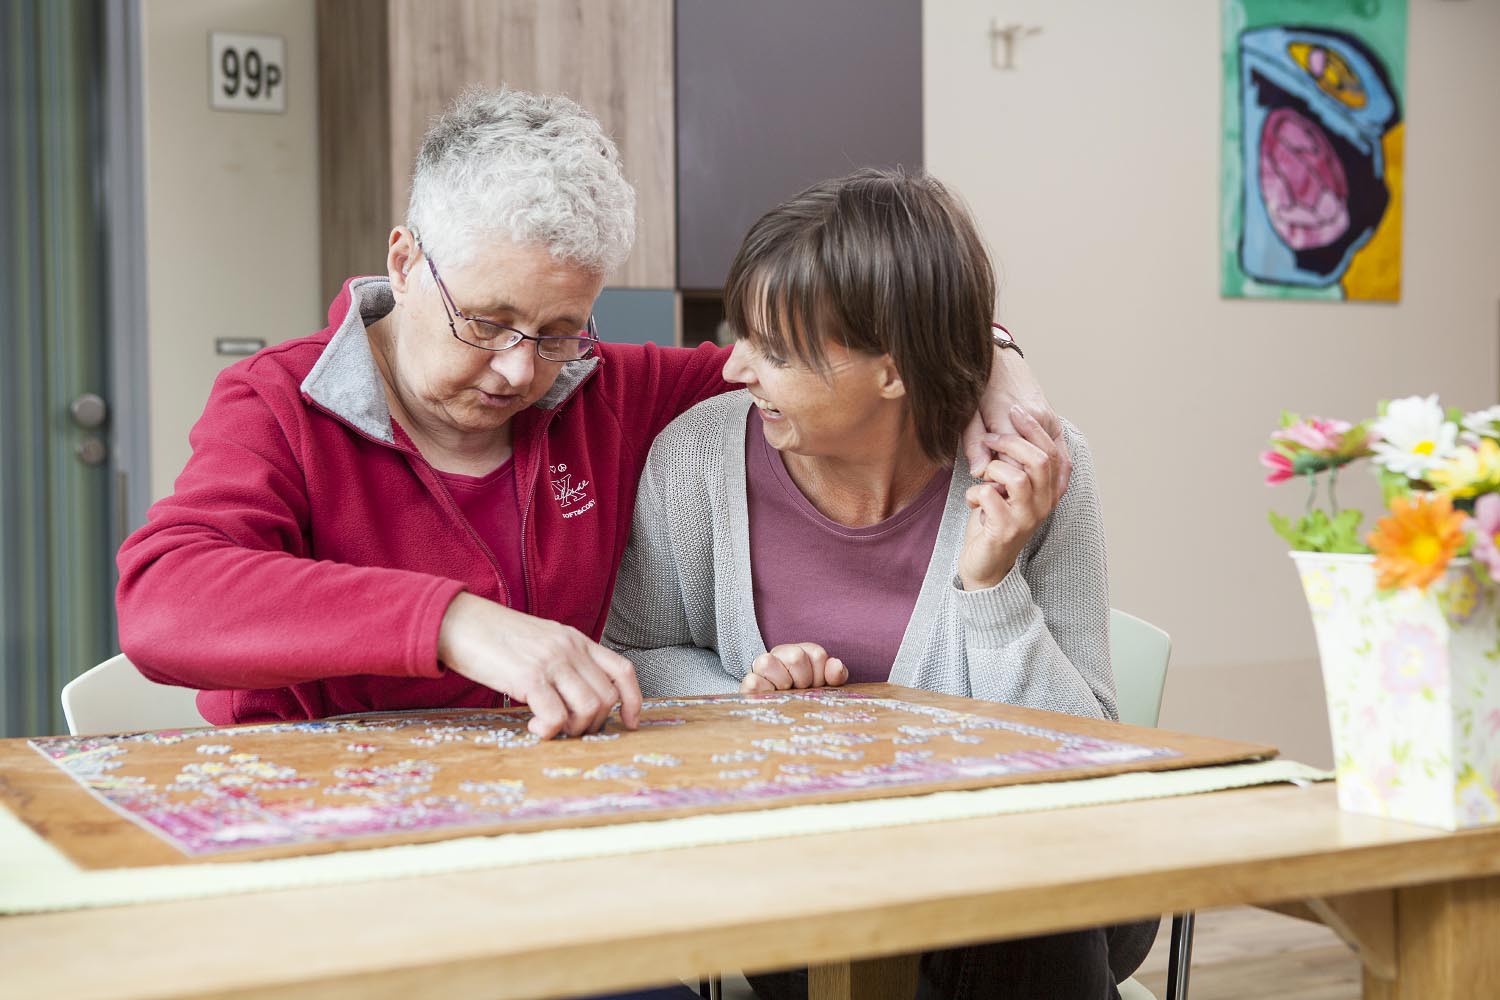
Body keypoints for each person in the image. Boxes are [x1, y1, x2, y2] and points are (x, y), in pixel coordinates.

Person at [115, 87, 1055, 741]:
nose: (521, 368)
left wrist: (992, 355)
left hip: (553, 837)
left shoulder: (607, 388)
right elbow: (162, 601)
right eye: (487, 322)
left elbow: (833, 352)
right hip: (326, 839)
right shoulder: (280, 403)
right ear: (404, 262)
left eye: (560, 328)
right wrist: (456, 624)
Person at [604, 168, 1155, 999]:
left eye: (776, 351)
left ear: (893, 371)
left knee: (1019, 896)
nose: (733, 369)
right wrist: (751, 701)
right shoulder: (697, 457)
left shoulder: (1037, 472)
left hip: (1036, 878)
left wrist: (991, 588)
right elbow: (633, 656)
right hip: (807, 873)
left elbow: (1092, 756)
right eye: (738, 333)